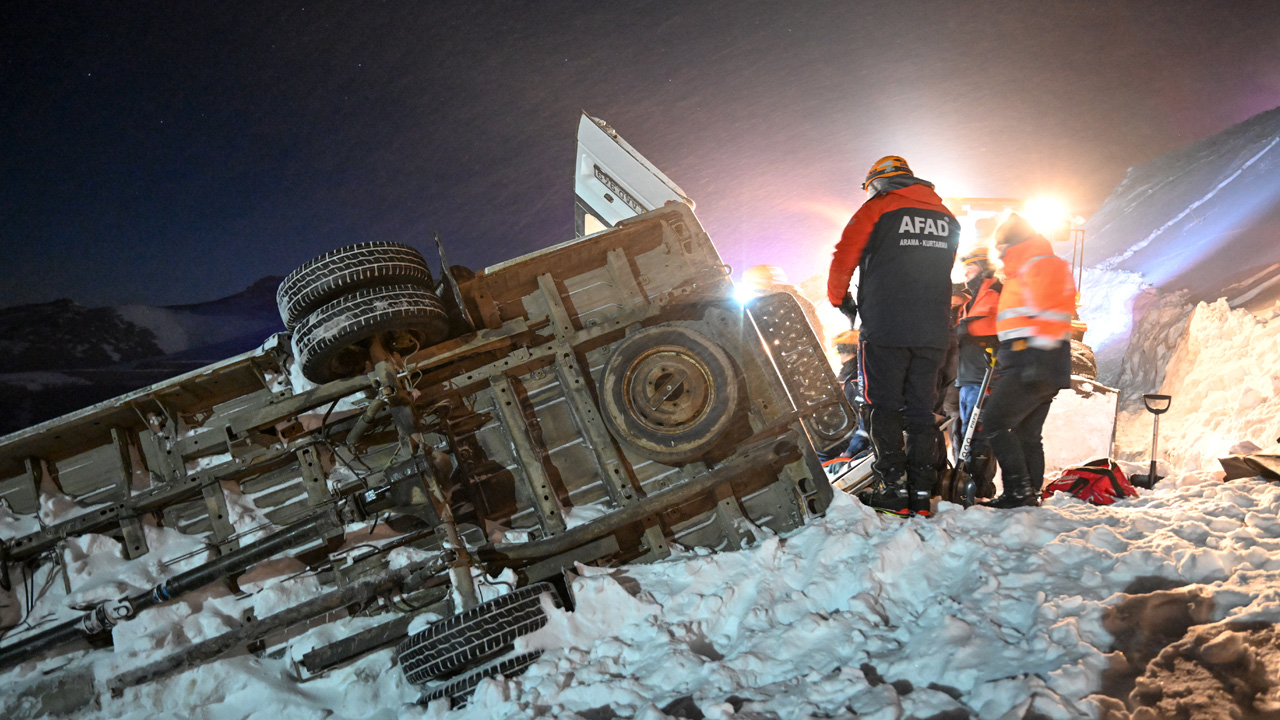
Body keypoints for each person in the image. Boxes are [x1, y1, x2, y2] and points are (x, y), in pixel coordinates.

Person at [827, 155, 960, 516]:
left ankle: (893, 489)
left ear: (878, 182)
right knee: (920, 410)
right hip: (933, 330)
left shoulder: (878, 208)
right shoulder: (947, 217)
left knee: (879, 406)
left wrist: (840, 299)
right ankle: (920, 492)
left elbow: (844, 256)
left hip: (886, 328)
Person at [980, 214, 1076, 508]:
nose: (998, 254)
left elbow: (1052, 312)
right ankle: (1029, 492)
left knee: (994, 422)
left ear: (1012, 244)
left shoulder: (1039, 264)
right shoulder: (1031, 266)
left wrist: (1037, 359)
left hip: (1032, 361)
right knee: (1026, 433)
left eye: (1001, 247)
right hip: (1032, 359)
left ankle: (1018, 491)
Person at [954, 247, 1002, 488]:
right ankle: (966, 480)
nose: (965, 273)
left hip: (984, 374)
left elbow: (987, 326)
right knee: (964, 432)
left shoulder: (994, 290)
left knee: (978, 433)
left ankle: (980, 484)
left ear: (982, 267)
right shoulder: (971, 297)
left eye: (970, 268)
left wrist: (963, 328)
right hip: (967, 375)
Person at [741, 264, 827, 348]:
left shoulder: (787, 295)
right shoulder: (757, 304)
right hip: (789, 348)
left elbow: (811, 318)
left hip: (803, 346)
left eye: (756, 281)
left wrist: (819, 343)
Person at [819, 328, 871, 462]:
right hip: (847, 434)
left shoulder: (855, 382)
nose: (841, 358)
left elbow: (866, 423)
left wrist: (848, 453)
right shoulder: (847, 379)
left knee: (821, 453)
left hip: (859, 440)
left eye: (841, 351)